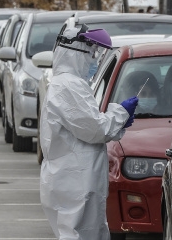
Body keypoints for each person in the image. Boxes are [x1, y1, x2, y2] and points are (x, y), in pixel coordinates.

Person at [40, 25, 139, 240]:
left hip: (71, 176)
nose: (94, 59)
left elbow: (88, 126)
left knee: (86, 232)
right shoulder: (69, 86)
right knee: (78, 233)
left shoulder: (66, 84)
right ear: (77, 53)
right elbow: (96, 129)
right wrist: (121, 112)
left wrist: (119, 121)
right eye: (91, 53)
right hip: (75, 179)